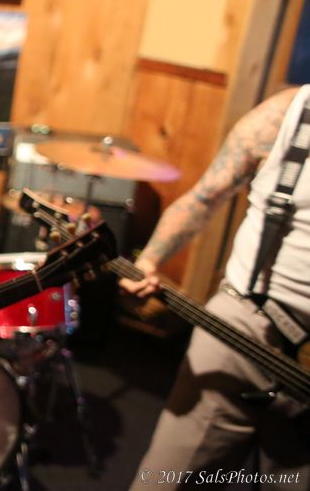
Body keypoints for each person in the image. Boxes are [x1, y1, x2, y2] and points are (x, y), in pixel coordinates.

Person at [119, 85, 309, 488]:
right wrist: (149, 260)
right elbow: (204, 198)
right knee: (167, 480)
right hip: (241, 326)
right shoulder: (288, 113)